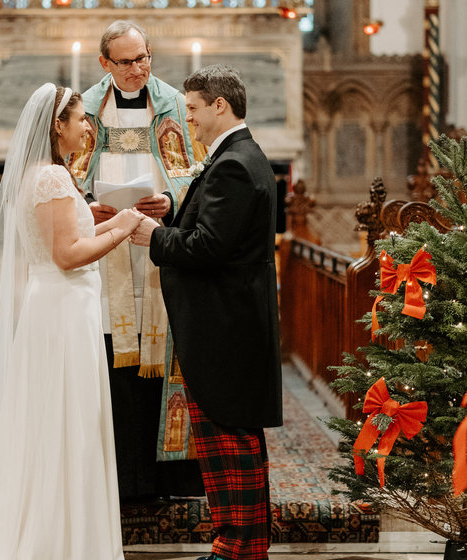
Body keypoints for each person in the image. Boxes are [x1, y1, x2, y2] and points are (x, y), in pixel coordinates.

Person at [0, 83, 143, 560]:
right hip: (63, 311)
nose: (88, 127)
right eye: (81, 118)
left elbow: (62, 238)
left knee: (52, 422)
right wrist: (125, 230)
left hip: (58, 308)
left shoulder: (39, 175)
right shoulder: (53, 179)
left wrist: (110, 219)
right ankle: (61, 541)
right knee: (68, 425)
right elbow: (68, 255)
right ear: (56, 125)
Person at [130, 65, 283, 560]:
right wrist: (170, 218)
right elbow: (214, 232)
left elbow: (209, 248)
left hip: (225, 326)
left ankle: (238, 550)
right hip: (231, 320)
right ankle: (236, 547)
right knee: (229, 441)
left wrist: (151, 235)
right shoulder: (240, 156)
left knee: (230, 440)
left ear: (220, 105)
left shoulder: (234, 164)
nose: (188, 119)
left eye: (193, 109)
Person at [69, 19, 204, 501]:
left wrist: (170, 200)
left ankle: (165, 477)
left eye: (144, 57)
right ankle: (115, 480)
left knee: (163, 350)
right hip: (101, 248)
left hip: (158, 244)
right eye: (126, 62)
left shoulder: (172, 103)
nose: (137, 69)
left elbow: (192, 170)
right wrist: (87, 205)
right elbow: (66, 174)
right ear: (104, 63)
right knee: (109, 355)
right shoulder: (83, 108)